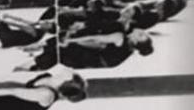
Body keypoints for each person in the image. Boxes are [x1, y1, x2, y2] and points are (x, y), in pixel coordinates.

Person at [15, 29, 152, 72]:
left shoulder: (119, 37)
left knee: (62, 44)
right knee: (60, 50)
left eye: (141, 35)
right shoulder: (129, 50)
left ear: (136, 41)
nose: (140, 31)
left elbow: (95, 38)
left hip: (87, 59)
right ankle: (35, 57)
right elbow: (100, 48)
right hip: (91, 63)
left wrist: (72, 41)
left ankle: (33, 56)